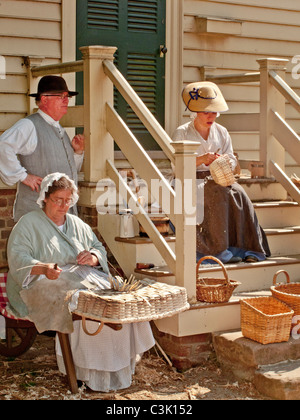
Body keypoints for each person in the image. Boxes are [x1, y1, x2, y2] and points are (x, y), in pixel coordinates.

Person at [6, 173, 155, 392]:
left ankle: (118, 368)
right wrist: (44, 268)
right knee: (84, 302)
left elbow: (98, 247)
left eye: (68, 200)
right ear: (45, 198)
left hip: (80, 274)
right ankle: (87, 372)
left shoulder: (76, 223)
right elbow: (18, 259)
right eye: (58, 199)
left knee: (117, 293)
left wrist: (93, 257)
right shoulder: (28, 224)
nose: (64, 205)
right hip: (43, 280)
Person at [172, 81, 271, 264]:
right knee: (216, 193)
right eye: (206, 112)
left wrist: (223, 160)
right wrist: (202, 159)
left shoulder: (222, 131)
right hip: (189, 179)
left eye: (214, 112)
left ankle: (247, 249)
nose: (211, 116)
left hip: (219, 177)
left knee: (239, 194)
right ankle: (217, 251)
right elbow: (177, 167)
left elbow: (232, 158)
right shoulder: (183, 132)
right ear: (196, 112)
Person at [0, 75, 85, 221]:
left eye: (67, 97)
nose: (66, 100)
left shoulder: (60, 130)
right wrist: (23, 176)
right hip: (37, 215)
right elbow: (2, 146)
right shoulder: (29, 125)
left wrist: (77, 153)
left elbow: (67, 173)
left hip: (61, 216)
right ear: (44, 99)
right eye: (60, 96)